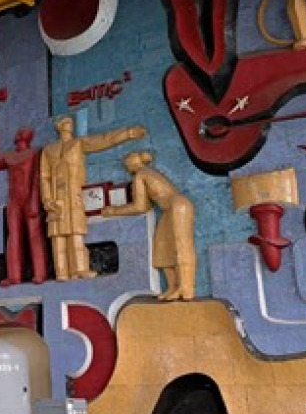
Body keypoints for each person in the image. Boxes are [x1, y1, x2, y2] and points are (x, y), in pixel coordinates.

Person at [39, 116, 146, 280]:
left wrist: (128, 133)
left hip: (72, 193)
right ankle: (61, 271)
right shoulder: (48, 150)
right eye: (64, 122)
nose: (68, 124)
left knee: (75, 232)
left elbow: (103, 140)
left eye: (69, 122)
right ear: (58, 127)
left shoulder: (78, 144)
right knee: (57, 234)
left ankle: (79, 269)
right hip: (55, 197)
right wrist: (47, 199)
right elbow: (44, 177)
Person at [102, 151, 196, 300]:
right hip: (169, 209)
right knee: (162, 247)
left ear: (131, 165)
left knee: (181, 245)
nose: (127, 169)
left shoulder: (141, 175)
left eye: (127, 166)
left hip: (178, 206)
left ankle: (186, 288)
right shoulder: (147, 173)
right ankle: (172, 287)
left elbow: (141, 206)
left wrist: (114, 210)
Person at [0, 127, 48, 286]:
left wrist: (34, 199)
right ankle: (14, 275)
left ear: (29, 137)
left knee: (34, 235)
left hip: (30, 197)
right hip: (14, 200)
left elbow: (37, 178)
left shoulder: (34, 153)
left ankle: (40, 273)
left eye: (24, 133)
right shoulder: (10, 156)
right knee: (13, 236)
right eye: (19, 133)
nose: (19, 134)